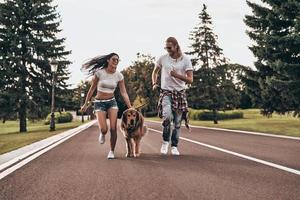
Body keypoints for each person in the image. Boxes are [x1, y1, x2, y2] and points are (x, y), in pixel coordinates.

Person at [81, 53, 132, 159]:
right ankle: (102, 133)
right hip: (99, 103)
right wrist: (85, 104)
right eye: (114, 59)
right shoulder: (99, 73)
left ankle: (112, 151)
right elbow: (92, 89)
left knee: (113, 128)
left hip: (112, 102)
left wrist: (130, 106)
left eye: (118, 60)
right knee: (104, 129)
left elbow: (124, 93)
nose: (116, 61)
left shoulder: (119, 76)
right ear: (108, 60)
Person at [152, 37, 193, 155]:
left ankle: (174, 146)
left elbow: (190, 80)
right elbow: (155, 72)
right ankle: (165, 142)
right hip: (166, 92)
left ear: (176, 46)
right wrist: (154, 83)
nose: (167, 50)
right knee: (167, 117)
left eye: (169, 47)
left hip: (180, 93)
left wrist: (176, 75)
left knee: (177, 123)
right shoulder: (162, 58)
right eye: (166, 47)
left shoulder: (186, 60)